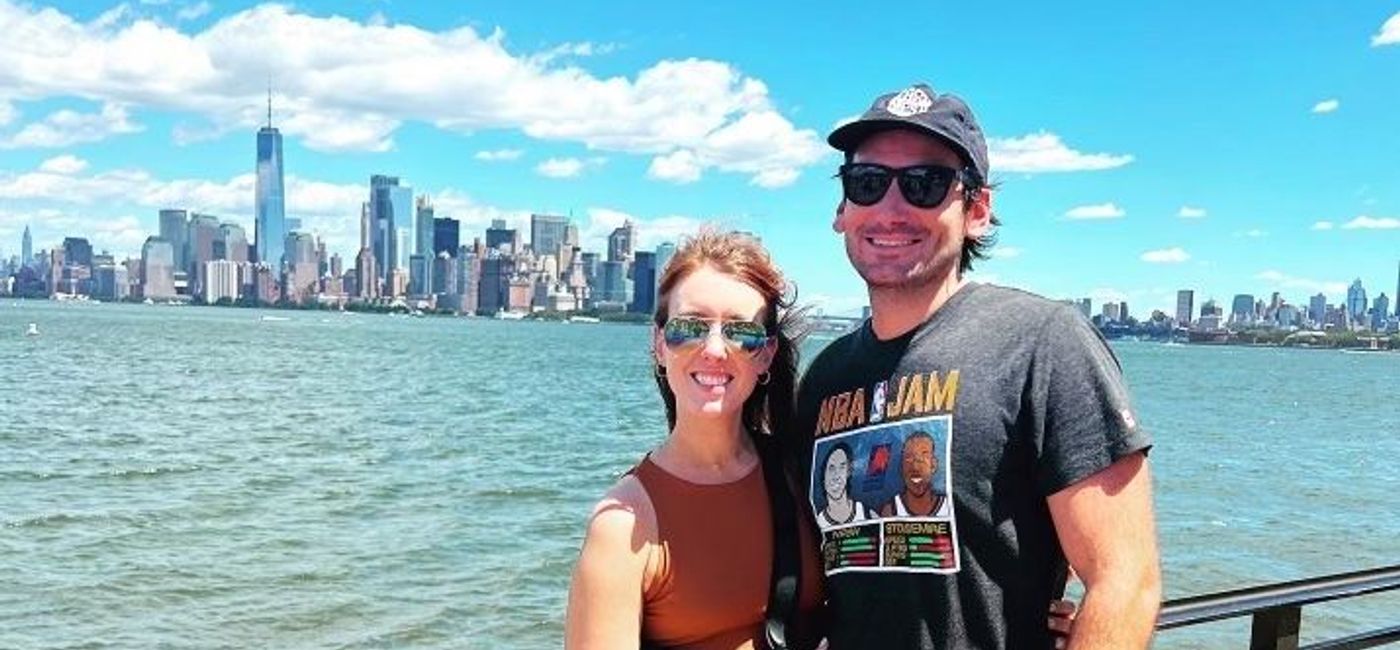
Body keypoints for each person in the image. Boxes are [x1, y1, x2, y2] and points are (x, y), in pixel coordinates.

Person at [795, 83, 1161, 649]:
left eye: (925, 184)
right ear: (843, 210)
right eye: (867, 183)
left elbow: (1125, 580)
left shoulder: (1044, 342)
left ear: (977, 210)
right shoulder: (823, 380)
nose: (891, 209)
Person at [565, 230, 825, 650]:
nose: (715, 349)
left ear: (766, 355)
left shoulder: (803, 474)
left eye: (742, 332)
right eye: (689, 327)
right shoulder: (623, 525)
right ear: (659, 345)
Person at [876, 431, 950, 518]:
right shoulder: (890, 510)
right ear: (901, 467)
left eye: (922, 459)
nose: (915, 467)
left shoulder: (949, 506)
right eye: (908, 458)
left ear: (933, 465)